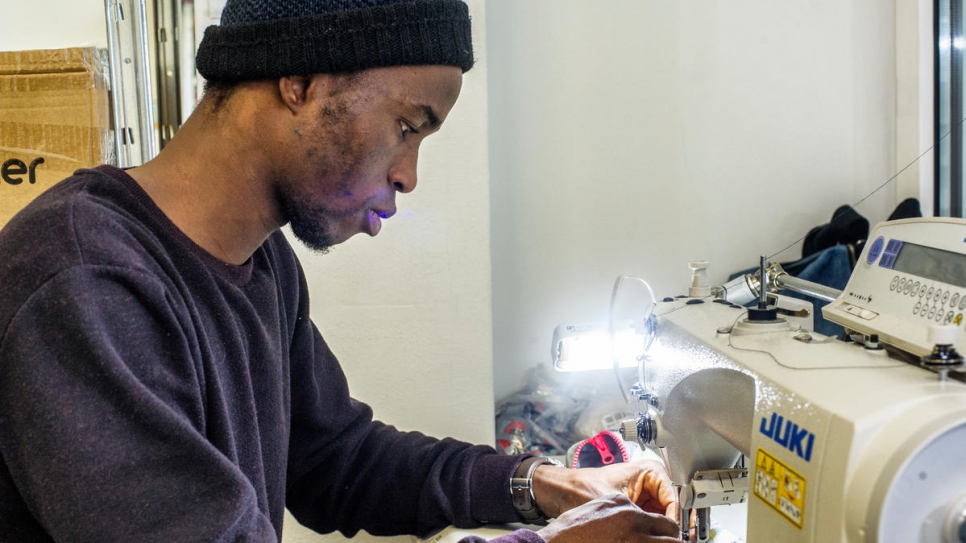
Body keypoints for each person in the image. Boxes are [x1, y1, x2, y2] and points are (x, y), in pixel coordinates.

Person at [0, 0, 681, 541]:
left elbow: (341, 461)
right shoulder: (84, 283)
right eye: (408, 127)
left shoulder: (262, 264)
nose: (409, 177)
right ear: (300, 79)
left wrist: (541, 483)